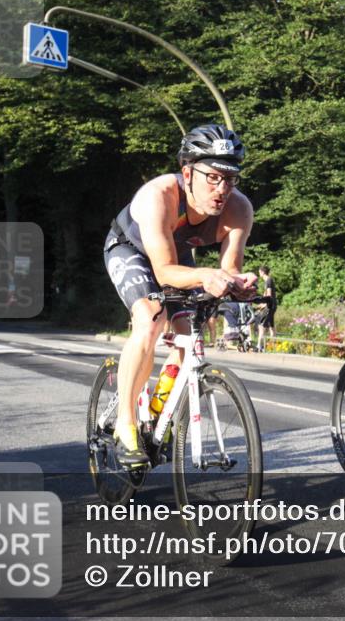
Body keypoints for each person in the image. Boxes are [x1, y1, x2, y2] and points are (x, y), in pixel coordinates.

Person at [103, 124, 257, 467]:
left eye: (230, 179)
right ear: (187, 173)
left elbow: (229, 267)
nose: (222, 189)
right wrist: (205, 276)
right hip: (131, 250)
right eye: (213, 177)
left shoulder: (239, 209)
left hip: (177, 256)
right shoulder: (158, 196)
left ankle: (159, 410)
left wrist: (237, 283)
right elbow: (163, 273)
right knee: (150, 319)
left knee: (189, 336)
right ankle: (126, 424)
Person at [256, 265, 276, 352]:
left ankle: (259, 346)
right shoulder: (268, 281)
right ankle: (272, 346)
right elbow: (266, 294)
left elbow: (269, 294)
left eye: (259, 272)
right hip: (272, 305)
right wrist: (261, 304)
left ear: (262, 272)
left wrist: (264, 304)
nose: (259, 273)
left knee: (261, 325)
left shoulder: (268, 280)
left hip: (269, 306)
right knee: (271, 326)